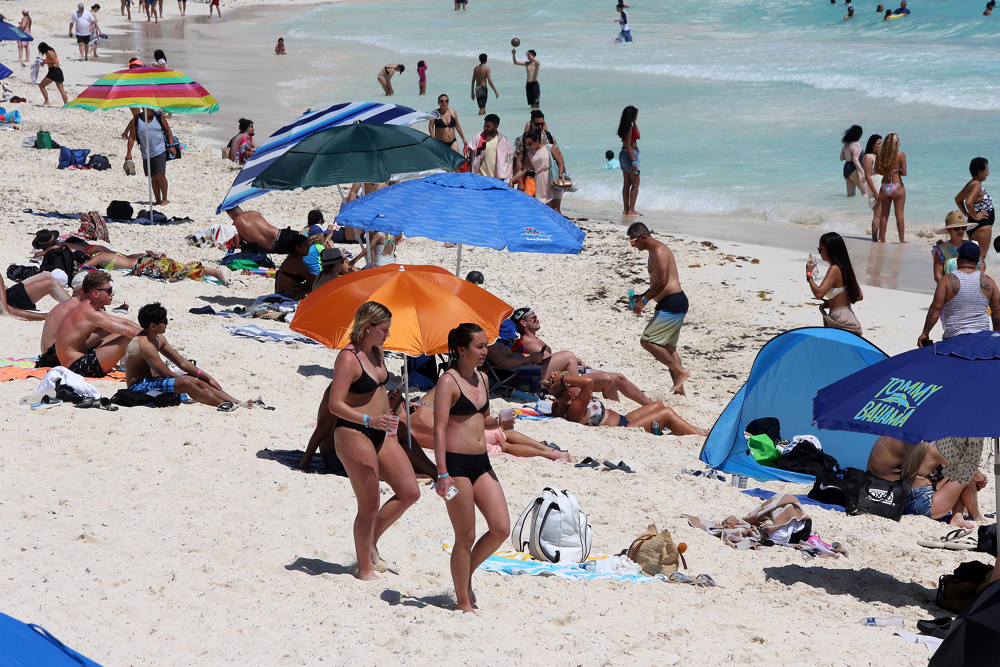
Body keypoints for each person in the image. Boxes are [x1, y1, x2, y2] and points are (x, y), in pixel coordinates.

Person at [329, 302, 420, 580]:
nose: (388, 335)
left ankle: (370, 542)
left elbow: (373, 390)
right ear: (368, 327)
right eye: (384, 329)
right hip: (354, 431)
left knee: (410, 491)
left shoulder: (377, 352)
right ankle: (365, 569)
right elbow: (334, 404)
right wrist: (369, 420)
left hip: (384, 430)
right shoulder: (348, 358)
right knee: (368, 505)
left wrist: (389, 400)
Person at [433, 323, 511, 612]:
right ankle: (463, 602)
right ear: (462, 350)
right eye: (479, 346)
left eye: (486, 345)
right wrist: (441, 474)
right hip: (455, 465)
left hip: (482, 463)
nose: (485, 351)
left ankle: (465, 575)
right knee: (465, 536)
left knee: (501, 528)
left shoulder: (483, 378)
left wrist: (501, 423)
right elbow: (438, 431)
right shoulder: (448, 382)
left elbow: (483, 420)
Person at [508, 307, 651, 404]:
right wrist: (572, 361)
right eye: (533, 318)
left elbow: (552, 360)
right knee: (608, 380)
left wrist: (575, 363)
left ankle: (649, 403)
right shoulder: (527, 341)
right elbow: (544, 362)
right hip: (558, 378)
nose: (537, 319)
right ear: (523, 322)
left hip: (568, 372)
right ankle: (604, 409)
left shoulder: (536, 339)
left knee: (619, 377)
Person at [126, 303, 250, 411]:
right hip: (138, 387)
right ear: (153, 326)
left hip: (152, 381)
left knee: (196, 380)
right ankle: (222, 404)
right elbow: (166, 374)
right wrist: (195, 388)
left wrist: (207, 377)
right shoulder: (144, 345)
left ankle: (237, 402)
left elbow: (181, 362)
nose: (167, 323)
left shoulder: (158, 338)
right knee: (187, 383)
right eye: (164, 321)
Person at [867, 436, 987, 529]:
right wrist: (982, 479)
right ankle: (975, 515)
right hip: (925, 504)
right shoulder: (931, 451)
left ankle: (958, 516)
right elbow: (971, 471)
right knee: (966, 476)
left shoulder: (899, 443)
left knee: (956, 476)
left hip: (900, 498)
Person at [627, 223, 690, 395]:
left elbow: (663, 281)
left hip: (673, 302)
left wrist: (645, 301)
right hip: (668, 302)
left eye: (633, 242)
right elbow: (657, 284)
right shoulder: (652, 252)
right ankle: (680, 391)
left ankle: (681, 371)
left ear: (643, 237)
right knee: (668, 347)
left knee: (647, 341)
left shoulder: (660, 250)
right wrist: (642, 295)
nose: (633, 246)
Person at [545, 372, 707, 435]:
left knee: (658, 405)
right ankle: (699, 436)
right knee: (667, 414)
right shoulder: (574, 408)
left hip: (625, 420)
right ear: (567, 391)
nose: (577, 386)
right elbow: (588, 382)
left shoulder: (563, 402)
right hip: (625, 430)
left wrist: (562, 380)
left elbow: (584, 383)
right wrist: (563, 379)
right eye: (573, 385)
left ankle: (698, 430)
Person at [55, 272, 141, 378]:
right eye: (109, 290)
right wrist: (155, 339)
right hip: (78, 368)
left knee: (119, 334)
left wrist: (150, 333)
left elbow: (125, 322)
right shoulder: (91, 314)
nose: (112, 294)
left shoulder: (87, 308)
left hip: (76, 361)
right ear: (95, 293)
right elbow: (130, 332)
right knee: (129, 338)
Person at [917, 241, 1000, 345]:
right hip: (981, 340)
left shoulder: (946, 280)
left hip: (954, 339)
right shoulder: (989, 282)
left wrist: (925, 333)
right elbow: (997, 313)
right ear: (978, 260)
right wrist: (996, 337)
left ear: (958, 257)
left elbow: (935, 308)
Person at [806, 232, 864, 334]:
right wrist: (835, 302)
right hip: (848, 315)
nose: (819, 252)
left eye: (820, 249)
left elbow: (819, 294)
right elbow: (859, 296)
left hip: (839, 318)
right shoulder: (845, 268)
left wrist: (809, 275)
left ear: (829, 249)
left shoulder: (834, 269)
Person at [124, 109, 176, 206]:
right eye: (150, 108)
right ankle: (157, 200)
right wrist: (129, 153)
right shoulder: (137, 119)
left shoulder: (158, 116)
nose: (152, 110)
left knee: (161, 174)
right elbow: (131, 137)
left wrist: (172, 145)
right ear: (144, 108)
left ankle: (164, 199)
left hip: (160, 149)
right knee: (153, 176)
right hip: (146, 152)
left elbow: (168, 130)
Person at [38, 273, 88, 365]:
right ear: (84, 291)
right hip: (53, 356)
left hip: (47, 353)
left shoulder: (67, 303)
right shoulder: (75, 308)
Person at [511, 130, 566, 213]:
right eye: (526, 143)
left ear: (537, 141)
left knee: (556, 210)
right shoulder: (530, 153)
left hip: (552, 179)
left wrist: (561, 173)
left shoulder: (549, 148)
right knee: (544, 210)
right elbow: (524, 169)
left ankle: (558, 226)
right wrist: (512, 180)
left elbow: (559, 161)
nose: (528, 146)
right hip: (540, 182)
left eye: (530, 143)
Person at [954, 157, 993, 264]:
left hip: (973, 225)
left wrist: (967, 214)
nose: (988, 173)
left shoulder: (970, 184)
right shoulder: (976, 186)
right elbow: (968, 202)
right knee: (981, 258)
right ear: (980, 171)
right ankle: (977, 280)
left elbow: (958, 199)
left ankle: (969, 278)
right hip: (982, 226)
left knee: (971, 257)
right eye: (986, 170)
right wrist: (975, 216)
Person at [512, 111, 556, 195]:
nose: (540, 126)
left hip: (547, 178)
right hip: (529, 178)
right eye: (537, 124)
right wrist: (520, 183)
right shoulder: (522, 140)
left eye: (542, 124)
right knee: (529, 205)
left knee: (547, 206)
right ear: (531, 123)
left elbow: (557, 157)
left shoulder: (549, 137)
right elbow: (519, 162)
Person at [874, 132, 907, 243]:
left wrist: (886, 171)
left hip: (885, 186)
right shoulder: (900, 155)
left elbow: (876, 170)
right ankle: (901, 240)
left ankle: (882, 239)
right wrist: (897, 171)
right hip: (897, 186)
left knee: (884, 214)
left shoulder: (880, 155)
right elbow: (904, 173)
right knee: (899, 214)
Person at [0, 272, 70, 323]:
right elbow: (9, 309)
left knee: (47, 275)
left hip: (8, 294)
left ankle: (76, 305)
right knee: (52, 283)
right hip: (11, 300)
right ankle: (76, 307)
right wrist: (44, 316)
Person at [224, 207, 298, 254]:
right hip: (282, 234)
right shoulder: (254, 213)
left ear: (231, 215)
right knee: (307, 239)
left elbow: (238, 245)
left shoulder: (235, 225)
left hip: (275, 248)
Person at [933, 212, 981, 282]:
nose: (961, 230)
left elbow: (982, 265)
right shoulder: (941, 249)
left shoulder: (972, 246)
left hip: (972, 286)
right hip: (950, 289)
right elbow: (938, 276)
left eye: (963, 227)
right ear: (949, 230)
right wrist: (947, 288)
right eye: (956, 228)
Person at [465, 114, 513, 181]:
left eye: (488, 126)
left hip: (497, 180)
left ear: (496, 126)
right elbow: (470, 159)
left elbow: (509, 160)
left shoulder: (503, 140)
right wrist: (468, 176)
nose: (485, 128)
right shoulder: (478, 138)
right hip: (479, 178)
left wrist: (510, 180)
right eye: (484, 126)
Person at [618, 106, 641, 216]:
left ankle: (626, 209)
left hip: (623, 154)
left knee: (627, 183)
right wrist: (634, 161)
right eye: (636, 114)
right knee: (635, 183)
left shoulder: (626, 127)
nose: (637, 116)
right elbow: (628, 145)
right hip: (631, 153)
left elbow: (638, 136)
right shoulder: (629, 129)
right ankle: (631, 210)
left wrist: (634, 122)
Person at [861, 134, 883, 240]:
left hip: (882, 183)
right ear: (872, 145)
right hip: (874, 184)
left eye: (881, 143)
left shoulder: (879, 156)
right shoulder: (868, 157)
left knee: (882, 213)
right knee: (877, 213)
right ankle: (875, 238)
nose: (881, 146)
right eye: (878, 144)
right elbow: (867, 176)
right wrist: (875, 191)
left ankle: (880, 236)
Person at [839, 125, 866, 198]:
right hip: (854, 168)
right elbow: (855, 160)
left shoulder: (846, 145)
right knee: (865, 192)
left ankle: (850, 209)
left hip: (846, 169)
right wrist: (862, 172)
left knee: (850, 197)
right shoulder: (857, 144)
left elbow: (841, 158)